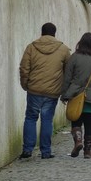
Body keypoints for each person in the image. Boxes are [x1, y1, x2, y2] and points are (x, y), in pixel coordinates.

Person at [18, 23, 71, 159]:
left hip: (34, 90)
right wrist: (63, 89)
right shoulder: (63, 49)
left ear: (41, 32)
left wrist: (26, 85)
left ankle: (28, 149)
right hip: (52, 91)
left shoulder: (31, 47)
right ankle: (46, 151)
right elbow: (68, 71)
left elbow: (24, 68)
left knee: (30, 118)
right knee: (47, 120)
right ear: (55, 33)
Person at [61, 33, 91, 159]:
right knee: (89, 123)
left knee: (75, 120)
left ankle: (78, 142)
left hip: (76, 94)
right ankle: (87, 151)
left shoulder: (74, 57)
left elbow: (67, 77)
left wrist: (64, 94)